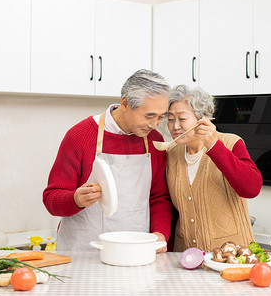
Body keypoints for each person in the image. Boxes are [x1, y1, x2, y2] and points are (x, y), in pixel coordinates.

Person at [43, 69, 173, 252]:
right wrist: (75, 199)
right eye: (149, 116)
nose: (154, 124)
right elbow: (51, 198)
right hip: (83, 253)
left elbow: (159, 197)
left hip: (134, 253)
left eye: (161, 117)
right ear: (125, 103)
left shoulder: (154, 140)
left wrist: (161, 233)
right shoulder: (80, 136)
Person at [165, 85, 262, 253]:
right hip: (186, 258)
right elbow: (171, 210)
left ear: (204, 119)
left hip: (232, 256)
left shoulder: (231, 143)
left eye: (182, 118)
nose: (175, 126)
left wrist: (214, 146)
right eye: (170, 119)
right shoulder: (171, 153)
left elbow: (252, 188)